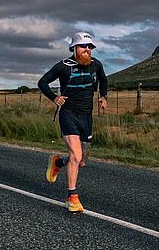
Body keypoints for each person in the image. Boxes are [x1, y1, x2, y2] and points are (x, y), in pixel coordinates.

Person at [38, 31, 108, 212]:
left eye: (90, 47)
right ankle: (72, 198)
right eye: (84, 46)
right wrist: (54, 98)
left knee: (81, 160)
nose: (87, 50)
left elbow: (103, 80)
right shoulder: (64, 66)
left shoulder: (96, 65)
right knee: (76, 156)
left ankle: (58, 162)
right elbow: (43, 82)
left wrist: (103, 96)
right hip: (68, 115)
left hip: (87, 117)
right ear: (74, 48)